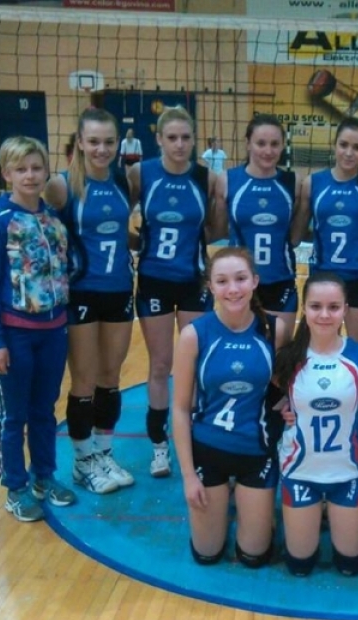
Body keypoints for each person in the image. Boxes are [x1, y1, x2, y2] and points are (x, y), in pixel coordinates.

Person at [0, 136, 75, 522]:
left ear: (46, 170)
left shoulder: (53, 218)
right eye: (21, 169)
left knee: (44, 410)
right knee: (12, 414)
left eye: (36, 168)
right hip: (13, 335)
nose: (30, 175)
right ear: (7, 174)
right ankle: (15, 487)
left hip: (53, 331)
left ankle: (44, 476)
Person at [171, 247, 289, 568]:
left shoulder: (274, 330)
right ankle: (226, 505)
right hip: (208, 450)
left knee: (254, 557)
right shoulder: (194, 335)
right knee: (207, 554)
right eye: (222, 281)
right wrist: (188, 477)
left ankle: (256, 511)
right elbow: (180, 410)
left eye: (240, 279)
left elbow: (284, 388)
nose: (233, 289)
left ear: (255, 281)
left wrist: (289, 403)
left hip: (256, 450)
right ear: (210, 286)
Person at [45, 108, 135, 495]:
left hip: (120, 290)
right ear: (80, 142)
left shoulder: (123, 181)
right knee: (83, 379)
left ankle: (103, 453)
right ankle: (82, 462)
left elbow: (118, 233)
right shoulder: (62, 186)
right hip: (81, 293)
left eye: (109, 142)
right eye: (94, 141)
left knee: (110, 376)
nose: (102, 149)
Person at [130, 106, 215, 479]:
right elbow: (116, 216)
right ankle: (159, 447)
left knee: (194, 365)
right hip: (154, 280)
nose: (179, 144)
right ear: (159, 140)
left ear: (194, 140)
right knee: (161, 364)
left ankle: (195, 439)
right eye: (172, 138)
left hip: (193, 280)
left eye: (185, 137)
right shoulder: (141, 173)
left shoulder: (205, 177)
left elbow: (215, 227)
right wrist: (139, 245)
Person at [274, 272, 358, 577]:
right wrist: (287, 405)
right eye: (316, 306)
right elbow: (276, 396)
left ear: (346, 309)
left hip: (347, 472)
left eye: (333, 307)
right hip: (300, 471)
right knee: (299, 566)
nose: (324, 315)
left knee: (350, 566)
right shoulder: (288, 359)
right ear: (304, 309)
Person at [292, 117, 358, 343]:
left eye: (357, 147)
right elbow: (297, 234)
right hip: (322, 277)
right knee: (319, 347)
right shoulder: (313, 183)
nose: (349, 153)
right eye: (344, 145)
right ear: (335, 145)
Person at [212, 114, 299, 335]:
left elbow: (296, 235)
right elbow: (219, 229)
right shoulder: (228, 180)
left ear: (283, 145)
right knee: (240, 349)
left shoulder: (293, 183)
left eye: (274, 144)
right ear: (248, 143)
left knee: (280, 351)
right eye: (261, 143)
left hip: (280, 280)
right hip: (239, 283)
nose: (268, 151)